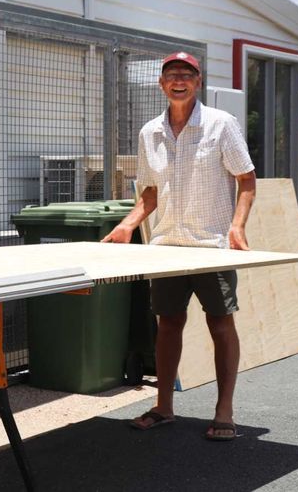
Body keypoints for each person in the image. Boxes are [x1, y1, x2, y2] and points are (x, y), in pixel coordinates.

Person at [102, 51, 256, 441]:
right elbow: (149, 194)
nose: (179, 80)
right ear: (161, 84)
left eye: (187, 74)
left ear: (198, 82)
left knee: (220, 324)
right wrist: (126, 226)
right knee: (168, 324)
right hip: (167, 245)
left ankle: (224, 411)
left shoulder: (221, 125)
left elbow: (247, 180)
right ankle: (164, 406)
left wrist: (237, 227)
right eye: (171, 74)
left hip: (212, 246)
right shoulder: (149, 132)